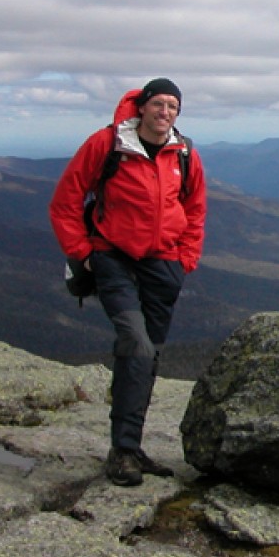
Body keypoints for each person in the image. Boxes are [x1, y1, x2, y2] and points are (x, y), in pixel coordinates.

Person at [49, 77, 206, 486]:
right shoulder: (108, 144)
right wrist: (82, 253)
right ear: (142, 106)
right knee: (135, 342)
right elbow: (66, 200)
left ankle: (130, 447)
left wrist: (185, 259)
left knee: (146, 355)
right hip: (113, 258)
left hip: (163, 265)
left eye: (173, 106)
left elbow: (195, 207)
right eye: (159, 104)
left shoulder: (184, 152)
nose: (165, 112)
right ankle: (122, 451)